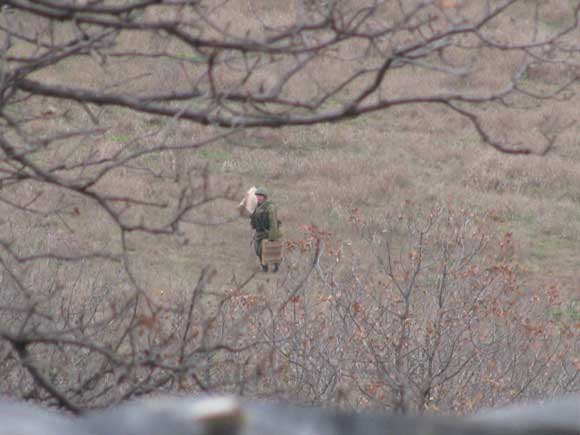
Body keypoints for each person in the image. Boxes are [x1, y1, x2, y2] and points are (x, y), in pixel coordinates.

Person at [250, 187, 280, 272]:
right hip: (259, 233)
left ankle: (275, 266)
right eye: (257, 196)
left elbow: (273, 223)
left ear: (265, 197)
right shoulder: (257, 207)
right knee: (258, 250)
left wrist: (272, 237)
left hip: (268, 232)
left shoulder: (270, 207)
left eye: (261, 196)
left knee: (270, 250)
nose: (258, 198)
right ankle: (264, 267)